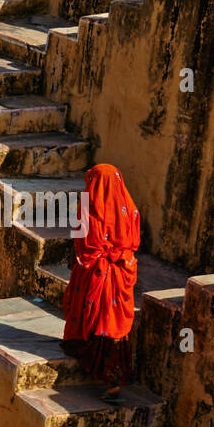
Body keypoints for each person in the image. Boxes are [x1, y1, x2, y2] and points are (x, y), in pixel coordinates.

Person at [61, 163, 140, 402]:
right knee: (113, 323)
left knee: (96, 318)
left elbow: (83, 242)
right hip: (121, 272)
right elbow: (134, 240)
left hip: (97, 272)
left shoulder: (89, 206)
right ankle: (114, 379)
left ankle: (107, 380)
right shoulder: (129, 207)